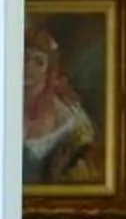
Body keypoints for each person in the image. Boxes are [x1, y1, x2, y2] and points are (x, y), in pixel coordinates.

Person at [22, 21, 103, 185]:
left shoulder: (68, 117)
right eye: (25, 58)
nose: (29, 67)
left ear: (49, 72)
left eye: (38, 61)